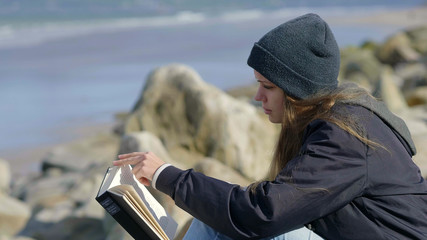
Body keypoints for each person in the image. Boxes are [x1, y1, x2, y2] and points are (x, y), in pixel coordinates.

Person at [113, 13, 427, 239]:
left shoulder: (346, 135)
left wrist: (164, 175)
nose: (257, 97)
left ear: (297, 90)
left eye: (269, 87)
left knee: (240, 228)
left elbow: (263, 214)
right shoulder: (338, 123)